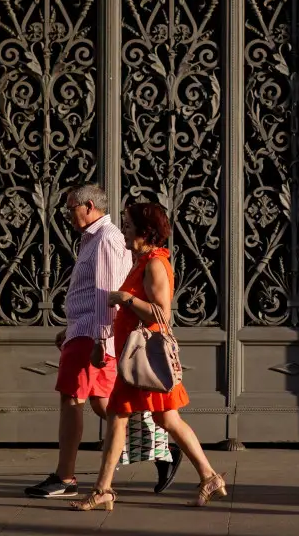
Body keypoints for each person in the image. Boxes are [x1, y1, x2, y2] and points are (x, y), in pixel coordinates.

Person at [24, 185, 182, 500]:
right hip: (84, 331)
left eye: (71, 207)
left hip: (93, 335)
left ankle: (65, 477)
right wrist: (70, 329)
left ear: (89, 206)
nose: (67, 214)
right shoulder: (94, 239)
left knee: (72, 399)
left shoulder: (107, 239)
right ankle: (163, 450)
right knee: (103, 404)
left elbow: (106, 295)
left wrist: (100, 339)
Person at [69, 201, 226, 511]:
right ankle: (209, 477)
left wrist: (125, 299)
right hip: (137, 359)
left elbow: (162, 315)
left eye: (128, 225)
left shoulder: (155, 264)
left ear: (145, 231)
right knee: (163, 418)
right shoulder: (142, 262)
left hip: (145, 361)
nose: (124, 230)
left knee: (122, 417)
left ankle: (103, 489)